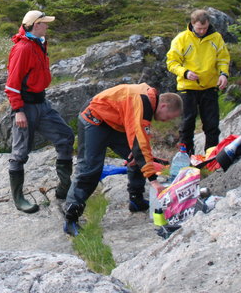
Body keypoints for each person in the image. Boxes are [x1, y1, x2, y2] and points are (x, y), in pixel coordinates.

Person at [62, 83, 183, 236]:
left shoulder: (149, 103)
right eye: (168, 117)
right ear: (164, 106)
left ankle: (136, 200)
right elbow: (140, 143)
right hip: (94, 119)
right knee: (90, 170)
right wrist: (153, 180)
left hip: (114, 124)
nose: (166, 121)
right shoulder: (144, 102)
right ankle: (71, 218)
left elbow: (141, 143)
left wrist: (142, 158)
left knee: (137, 158)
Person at [5, 10, 75, 213]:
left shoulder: (38, 42)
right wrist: (18, 110)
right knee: (19, 154)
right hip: (25, 107)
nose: (47, 26)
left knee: (65, 136)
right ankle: (18, 199)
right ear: (36, 25)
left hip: (42, 104)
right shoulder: (23, 48)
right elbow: (12, 84)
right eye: (44, 23)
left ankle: (63, 188)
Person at [166, 9, 231, 155]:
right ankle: (186, 155)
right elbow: (171, 63)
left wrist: (223, 74)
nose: (202, 31)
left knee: (212, 124)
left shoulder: (216, 38)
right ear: (192, 24)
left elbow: (223, 59)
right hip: (187, 87)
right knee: (187, 123)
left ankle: (212, 156)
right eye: (199, 28)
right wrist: (185, 73)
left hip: (209, 86)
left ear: (208, 24)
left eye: (205, 28)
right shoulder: (181, 39)